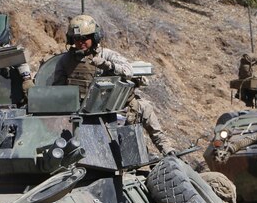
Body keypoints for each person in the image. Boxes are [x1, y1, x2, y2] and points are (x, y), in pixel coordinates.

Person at [50, 14, 175, 155]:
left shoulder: (106, 55)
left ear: (95, 37)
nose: (80, 42)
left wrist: (108, 65)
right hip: (83, 112)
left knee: (143, 108)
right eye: (77, 39)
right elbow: (57, 90)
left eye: (85, 38)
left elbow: (128, 71)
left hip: (112, 109)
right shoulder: (66, 60)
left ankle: (167, 151)